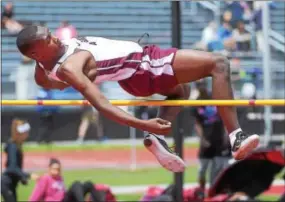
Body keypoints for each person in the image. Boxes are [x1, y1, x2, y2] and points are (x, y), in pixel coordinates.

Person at [16, 25, 260, 173]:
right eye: (48, 39)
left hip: (133, 75)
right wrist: (143, 124)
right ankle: (236, 137)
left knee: (180, 91)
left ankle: (156, 138)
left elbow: (51, 81)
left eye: (50, 33)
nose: (55, 37)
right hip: (144, 65)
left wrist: (69, 75)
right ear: (37, 52)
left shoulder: (44, 68)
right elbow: (101, 104)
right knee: (218, 64)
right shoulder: (70, 66)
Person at [192, 80, 232, 194]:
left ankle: (212, 193)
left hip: (218, 141)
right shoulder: (196, 102)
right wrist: (202, 139)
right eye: (199, 85)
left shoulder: (215, 98)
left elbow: (224, 117)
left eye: (203, 84)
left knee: (216, 171)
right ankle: (201, 192)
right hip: (206, 143)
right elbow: (197, 124)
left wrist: (225, 134)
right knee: (201, 170)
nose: (201, 87)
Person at [29, 158, 103, 202]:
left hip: (65, 199)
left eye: (58, 169)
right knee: (76, 184)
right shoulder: (45, 179)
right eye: (54, 169)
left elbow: (63, 192)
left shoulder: (59, 178)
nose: (57, 171)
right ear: (49, 169)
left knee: (88, 184)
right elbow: (35, 196)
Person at [1, 118, 39, 202]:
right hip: (6, 183)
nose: (27, 134)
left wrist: (22, 178)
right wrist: (29, 175)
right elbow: (12, 167)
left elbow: (15, 168)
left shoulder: (16, 145)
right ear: (19, 133)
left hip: (11, 184)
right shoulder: (13, 146)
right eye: (26, 132)